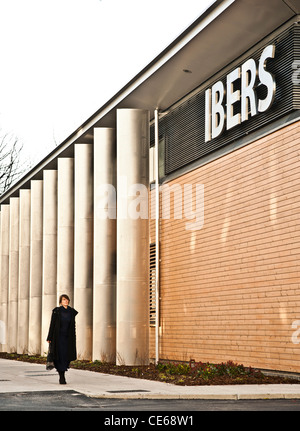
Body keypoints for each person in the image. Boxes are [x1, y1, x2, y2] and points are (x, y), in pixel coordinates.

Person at [47, 294, 78, 384]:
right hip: (58, 338)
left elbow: (73, 326)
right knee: (58, 356)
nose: (66, 301)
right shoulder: (57, 311)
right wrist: (49, 337)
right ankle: (61, 376)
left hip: (68, 338)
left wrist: (74, 337)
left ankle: (63, 371)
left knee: (66, 356)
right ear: (60, 301)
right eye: (64, 299)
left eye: (67, 299)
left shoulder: (72, 312)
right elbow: (52, 324)